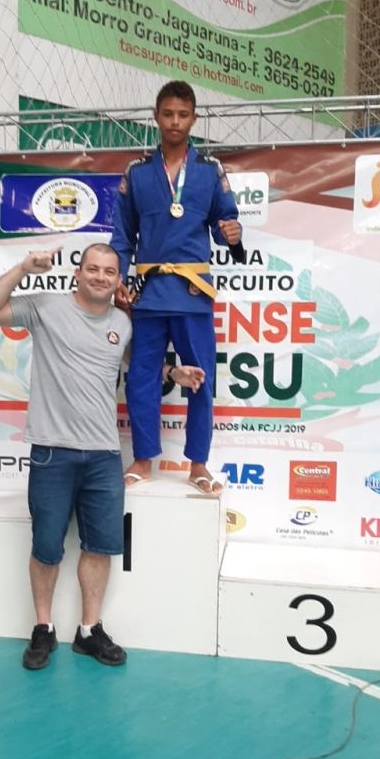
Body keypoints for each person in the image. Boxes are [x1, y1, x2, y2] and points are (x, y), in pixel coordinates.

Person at [0, 242, 204, 670]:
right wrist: (24, 268)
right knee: (46, 547)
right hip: (52, 452)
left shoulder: (122, 322)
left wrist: (174, 372)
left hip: (103, 455)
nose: (100, 277)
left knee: (100, 547)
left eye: (109, 272)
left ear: (118, 280)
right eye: (92, 269)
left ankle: (88, 631)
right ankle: (43, 628)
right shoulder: (46, 307)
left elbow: (139, 363)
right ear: (77, 273)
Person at [110, 80, 244, 494]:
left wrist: (232, 234)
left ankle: (198, 464)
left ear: (194, 119)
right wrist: (118, 278)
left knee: (200, 378)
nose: (175, 122)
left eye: (183, 115)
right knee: (141, 377)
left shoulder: (209, 171)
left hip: (192, 292)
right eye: (168, 114)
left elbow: (224, 224)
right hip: (148, 293)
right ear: (156, 117)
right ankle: (143, 459)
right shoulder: (137, 173)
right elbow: (122, 235)